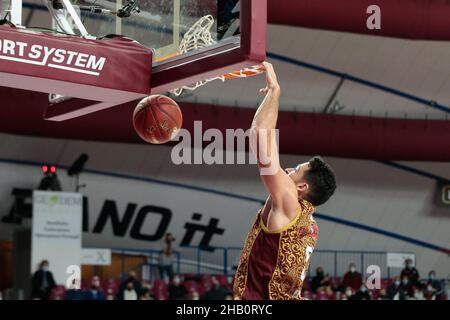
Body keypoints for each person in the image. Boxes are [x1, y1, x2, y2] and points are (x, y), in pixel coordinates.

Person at [233, 62, 337, 300]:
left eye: (296, 170)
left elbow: (259, 134)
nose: (288, 169)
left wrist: (274, 91)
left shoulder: (290, 204)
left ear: (302, 187)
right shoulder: (308, 223)